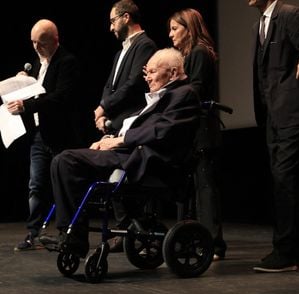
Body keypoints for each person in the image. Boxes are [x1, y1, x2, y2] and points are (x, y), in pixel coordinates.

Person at [39, 47, 202, 257]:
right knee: (63, 160)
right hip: (126, 152)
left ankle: (74, 238)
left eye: (152, 72)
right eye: (147, 72)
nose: (148, 77)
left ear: (172, 73)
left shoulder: (184, 94)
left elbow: (162, 131)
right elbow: (140, 128)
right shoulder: (159, 98)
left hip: (147, 161)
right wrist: (109, 138)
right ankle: (71, 235)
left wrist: (119, 141)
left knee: (67, 160)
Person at [7, 19, 83, 251]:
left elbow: (60, 98)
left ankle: (66, 232)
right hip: (40, 134)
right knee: (36, 184)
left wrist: (26, 106)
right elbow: (37, 93)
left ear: (54, 40)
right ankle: (33, 232)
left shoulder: (66, 62)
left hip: (61, 134)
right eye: (33, 42)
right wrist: (23, 84)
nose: (36, 47)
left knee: (63, 184)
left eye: (41, 43)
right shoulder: (37, 65)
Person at [94, 0, 157, 251]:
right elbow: (110, 85)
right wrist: (101, 111)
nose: (111, 28)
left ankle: (132, 231)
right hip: (113, 122)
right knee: (112, 180)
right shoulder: (121, 51)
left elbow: (132, 86)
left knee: (124, 179)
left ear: (126, 17)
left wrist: (104, 109)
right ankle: (125, 230)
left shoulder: (145, 44)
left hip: (130, 122)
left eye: (112, 21)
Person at [168, 8, 227, 261]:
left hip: (202, 130)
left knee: (205, 189)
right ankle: (191, 238)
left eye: (174, 28)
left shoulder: (200, 53)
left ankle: (213, 243)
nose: (170, 34)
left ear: (189, 28)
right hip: (193, 130)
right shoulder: (190, 55)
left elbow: (197, 91)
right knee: (192, 190)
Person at [248, 0, 299, 272]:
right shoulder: (261, 23)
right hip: (272, 117)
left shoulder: (289, 14)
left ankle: (286, 252)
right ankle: (289, 249)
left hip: (292, 114)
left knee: (285, 179)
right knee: (282, 181)